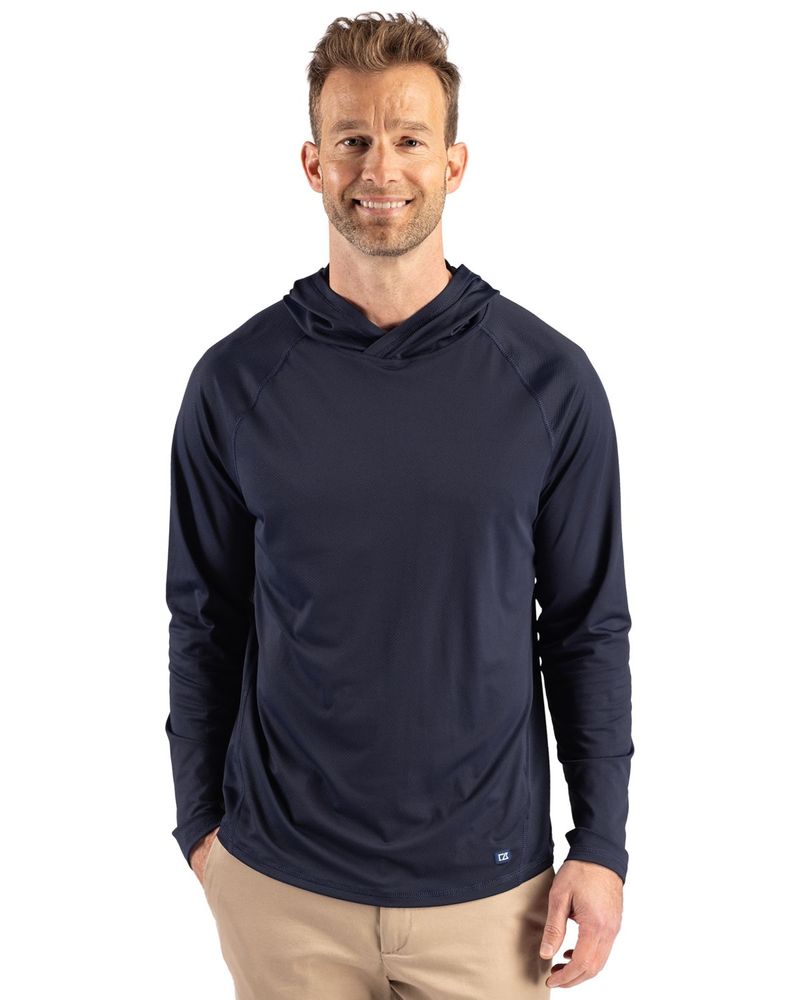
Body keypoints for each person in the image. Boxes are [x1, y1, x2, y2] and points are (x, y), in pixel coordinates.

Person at [164, 11, 634, 999]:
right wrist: (200, 828)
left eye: (409, 138)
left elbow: (586, 626)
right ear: (313, 163)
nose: (380, 167)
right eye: (353, 140)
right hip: (282, 893)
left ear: (453, 162)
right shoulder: (235, 381)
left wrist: (600, 844)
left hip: (491, 901)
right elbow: (204, 616)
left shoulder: (548, 382)